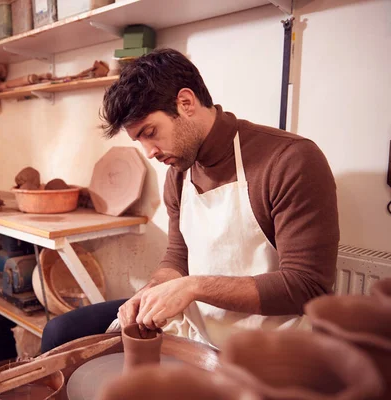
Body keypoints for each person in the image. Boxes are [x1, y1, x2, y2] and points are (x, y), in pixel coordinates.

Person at [41, 48, 339, 352]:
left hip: (269, 349)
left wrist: (193, 287)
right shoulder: (180, 170)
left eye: (151, 132)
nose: (149, 152)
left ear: (186, 103)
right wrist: (151, 291)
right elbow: (177, 254)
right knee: (60, 332)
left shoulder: (290, 160)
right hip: (197, 329)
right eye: (139, 140)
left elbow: (307, 287)